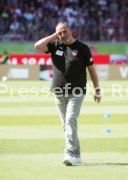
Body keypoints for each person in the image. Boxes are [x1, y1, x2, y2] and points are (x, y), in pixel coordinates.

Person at [34, 21, 101, 166]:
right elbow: (37, 45)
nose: (62, 34)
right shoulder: (55, 45)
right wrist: (54, 35)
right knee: (66, 125)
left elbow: (92, 70)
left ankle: (69, 153)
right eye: (59, 32)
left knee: (70, 120)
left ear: (70, 30)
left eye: (64, 31)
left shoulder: (82, 48)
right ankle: (77, 155)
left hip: (76, 92)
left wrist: (97, 90)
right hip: (59, 92)